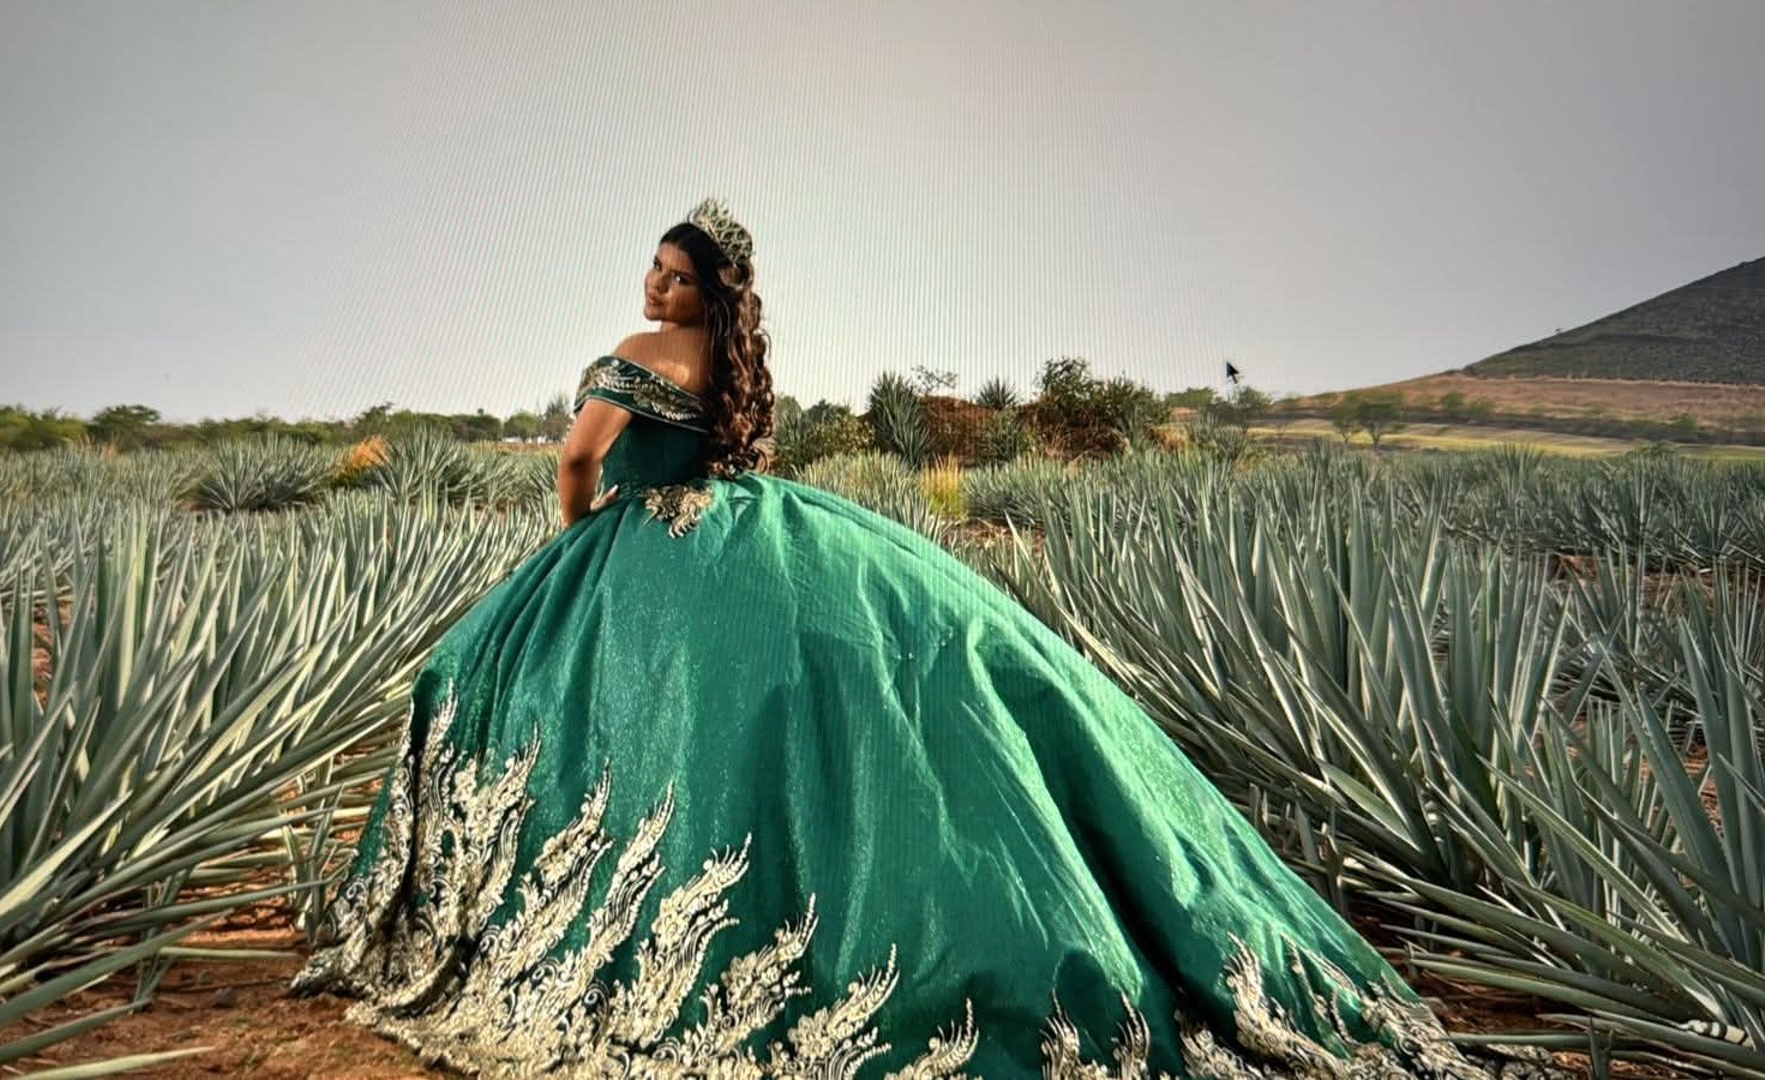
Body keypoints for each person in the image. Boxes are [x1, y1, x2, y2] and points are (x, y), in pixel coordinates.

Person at [288, 199, 1508, 1079]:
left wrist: (579, 552)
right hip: (755, 527)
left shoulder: (636, 357)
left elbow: (576, 461)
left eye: (674, 277)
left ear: (705, 293)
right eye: (652, 271)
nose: (655, 289)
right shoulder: (730, 359)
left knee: (518, 691)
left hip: (638, 542)